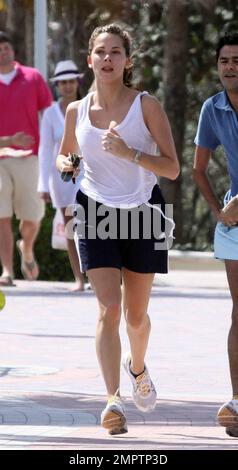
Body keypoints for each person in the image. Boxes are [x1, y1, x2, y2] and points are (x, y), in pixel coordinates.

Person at [57, 23, 179, 435]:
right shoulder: (76, 110)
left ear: (128, 60)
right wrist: (68, 165)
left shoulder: (146, 106)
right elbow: (65, 157)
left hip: (144, 212)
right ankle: (113, 400)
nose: (107, 59)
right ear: (89, 58)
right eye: (100, 52)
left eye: (115, 52)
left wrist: (131, 153)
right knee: (108, 309)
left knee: (136, 316)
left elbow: (172, 168)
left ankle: (138, 367)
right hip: (94, 212)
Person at [193, 31, 238, 438]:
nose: (230, 67)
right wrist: (219, 211)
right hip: (235, 223)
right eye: (225, 60)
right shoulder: (213, 108)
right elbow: (197, 168)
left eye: (237, 60)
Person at [0, 31, 52, 287]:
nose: (2, 51)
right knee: (2, 216)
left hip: (30, 159)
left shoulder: (32, 77)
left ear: (13, 50)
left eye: (6, 46)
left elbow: (50, 116)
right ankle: (7, 271)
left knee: (32, 218)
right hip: (0, 159)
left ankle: (27, 248)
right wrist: (9, 140)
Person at [38, 60, 85, 292]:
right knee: (70, 229)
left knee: (93, 226)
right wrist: (42, 184)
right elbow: (46, 150)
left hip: (89, 174)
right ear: (57, 85)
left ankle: (98, 277)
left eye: (71, 81)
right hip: (62, 178)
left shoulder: (88, 106)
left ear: (78, 82)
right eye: (62, 82)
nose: (67, 86)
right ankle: (79, 279)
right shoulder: (50, 114)